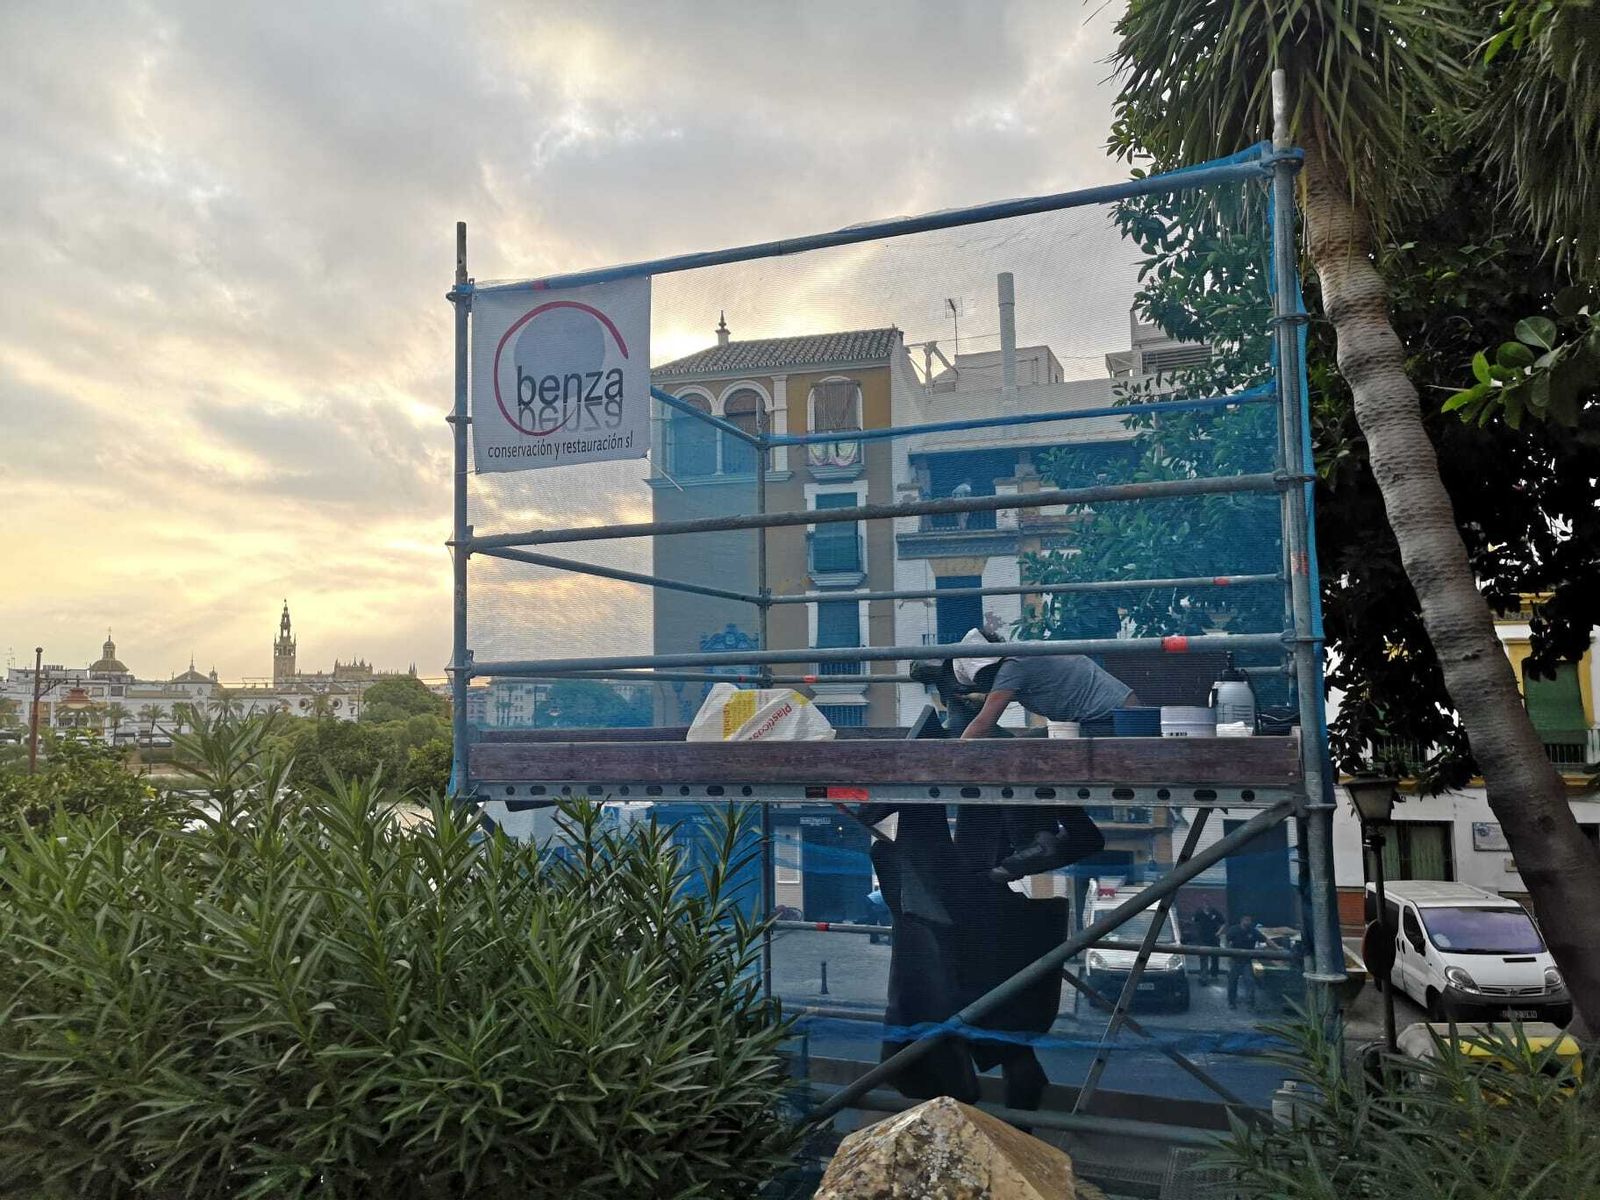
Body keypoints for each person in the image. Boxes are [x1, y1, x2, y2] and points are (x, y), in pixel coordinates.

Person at [938, 629, 1137, 881]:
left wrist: (949, 758)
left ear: (988, 668)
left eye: (984, 679)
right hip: (1115, 719)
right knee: (1044, 756)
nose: (986, 684)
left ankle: (1034, 841)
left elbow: (983, 724)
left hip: (1111, 724)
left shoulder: (1014, 667)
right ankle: (1080, 831)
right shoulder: (1023, 657)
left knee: (1018, 753)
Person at [1225, 913, 1270, 1009]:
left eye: (1249, 920)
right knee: (1232, 981)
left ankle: (1250, 1003)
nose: (1248, 922)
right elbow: (1227, 940)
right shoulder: (1234, 929)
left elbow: (1266, 940)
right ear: (1242, 920)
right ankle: (1231, 1002)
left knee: (1250, 981)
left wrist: (1278, 949)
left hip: (1247, 961)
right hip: (1235, 960)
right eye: (1246, 920)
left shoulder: (1253, 931)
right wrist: (1228, 953)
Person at [1192, 901, 1225, 984]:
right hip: (1203, 939)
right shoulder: (1199, 913)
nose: (1206, 906)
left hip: (1214, 938)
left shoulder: (1215, 912)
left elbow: (1223, 923)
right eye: (1205, 904)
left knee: (1215, 957)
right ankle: (1204, 977)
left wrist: (1219, 933)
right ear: (1203, 905)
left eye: (1208, 904)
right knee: (1203, 958)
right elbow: (1194, 921)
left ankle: (1214, 975)